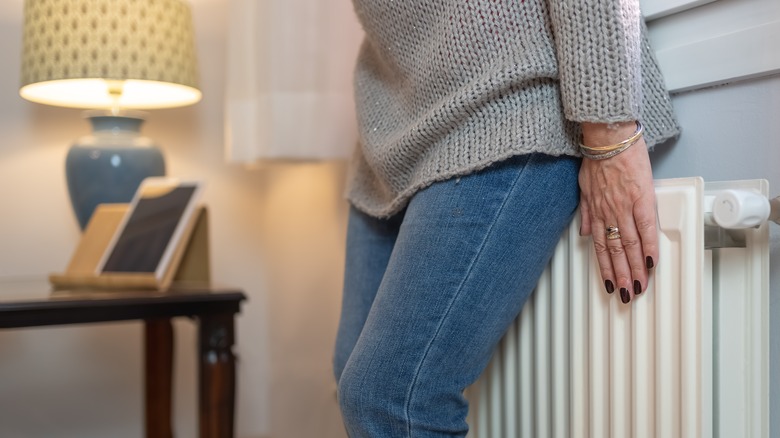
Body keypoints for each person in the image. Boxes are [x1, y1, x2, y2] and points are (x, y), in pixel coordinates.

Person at [333, 0, 680, 436]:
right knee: (352, 370)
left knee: (389, 397)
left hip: (506, 104)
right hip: (392, 116)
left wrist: (610, 134)